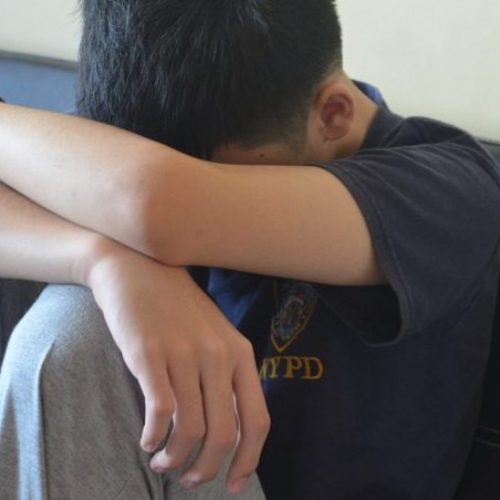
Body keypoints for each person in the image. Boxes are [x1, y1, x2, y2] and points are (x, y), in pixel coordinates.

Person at [1, 0, 500, 498]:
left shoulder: (450, 192)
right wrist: (102, 259)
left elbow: (154, 202)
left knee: (72, 333)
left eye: (217, 178)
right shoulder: (161, 111)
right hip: (180, 476)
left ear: (333, 115)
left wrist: (132, 238)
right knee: (76, 318)